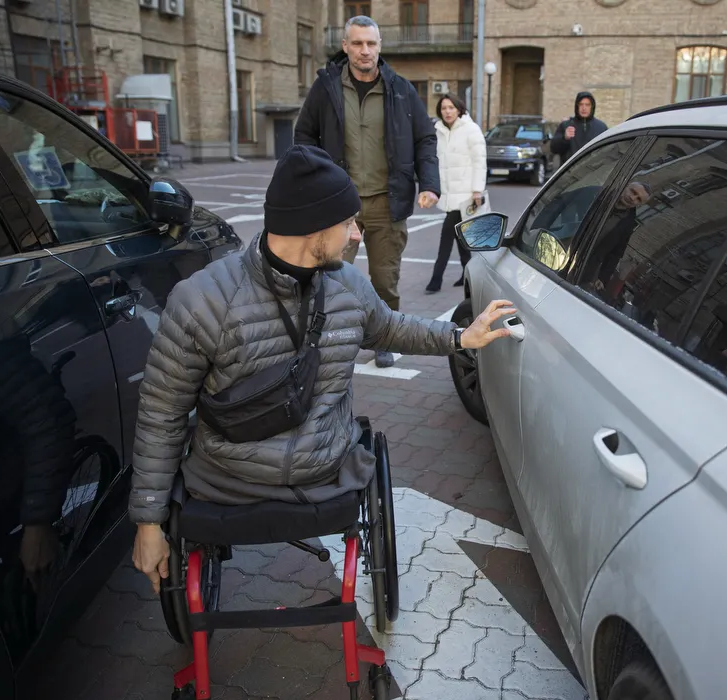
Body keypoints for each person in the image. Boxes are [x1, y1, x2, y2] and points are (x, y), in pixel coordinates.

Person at [129, 145, 515, 594]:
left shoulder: (343, 285)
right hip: (278, 480)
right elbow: (162, 412)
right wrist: (148, 522)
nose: (356, 235)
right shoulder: (203, 300)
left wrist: (459, 337)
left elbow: (390, 329)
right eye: (348, 223)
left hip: (253, 480)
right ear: (314, 226)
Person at [293, 15, 440, 368]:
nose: (364, 50)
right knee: (328, 276)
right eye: (357, 43)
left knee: (385, 281)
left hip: (388, 203)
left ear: (379, 46)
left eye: (371, 43)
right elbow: (304, 135)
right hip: (338, 205)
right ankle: (324, 340)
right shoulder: (326, 87)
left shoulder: (401, 89)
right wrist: (312, 182)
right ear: (345, 46)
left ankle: (384, 339)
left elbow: (425, 138)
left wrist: (430, 184)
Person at [426, 93, 487, 293]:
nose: (447, 112)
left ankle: (436, 279)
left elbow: (480, 161)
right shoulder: (439, 131)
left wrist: (477, 190)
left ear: (459, 109)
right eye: (444, 108)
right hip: (448, 194)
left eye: (451, 107)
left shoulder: (471, 129)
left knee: (446, 237)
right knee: (461, 238)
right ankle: (466, 273)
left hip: (466, 195)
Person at [550, 91, 608, 163]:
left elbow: (608, 151)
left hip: (594, 168)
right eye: (581, 104)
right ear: (577, 106)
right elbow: (553, 149)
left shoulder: (601, 127)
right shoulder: (566, 125)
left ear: (592, 106)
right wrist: (564, 138)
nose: (584, 108)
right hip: (572, 168)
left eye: (587, 105)